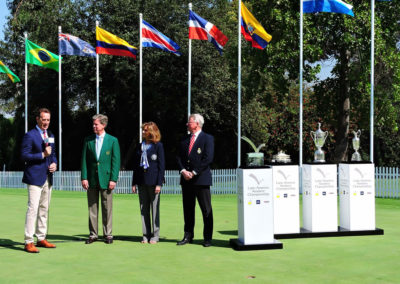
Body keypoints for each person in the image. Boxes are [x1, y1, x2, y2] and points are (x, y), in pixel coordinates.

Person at [21, 108, 57, 253]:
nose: (46, 122)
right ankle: (28, 241)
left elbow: (53, 153)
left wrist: (55, 163)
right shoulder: (30, 135)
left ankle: (41, 238)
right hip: (34, 177)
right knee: (33, 209)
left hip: (48, 177)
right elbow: (24, 155)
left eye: (48, 120)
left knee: (44, 209)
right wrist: (42, 154)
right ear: (37, 119)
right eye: (43, 119)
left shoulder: (50, 134)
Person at [81, 114, 120, 244]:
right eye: (93, 124)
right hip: (91, 179)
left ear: (103, 125)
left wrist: (113, 179)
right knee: (92, 207)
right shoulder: (88, 140)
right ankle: (93, 234)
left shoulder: (113, 140)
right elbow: (84, 160)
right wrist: (84, 177)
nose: (94, 126)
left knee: (107, 207)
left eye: (96, 124)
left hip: (107, 179)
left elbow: (116, 161)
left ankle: (108, 234)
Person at [176, 114, 214, 247]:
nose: (187, 124)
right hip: (186, 180)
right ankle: (188, 235)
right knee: (188, 209)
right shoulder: (184, 139)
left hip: (201, 180)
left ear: (197, 124)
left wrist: (194, 172)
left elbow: (208, 158)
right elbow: (178, 157)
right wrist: (183, 171)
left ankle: (207, 238)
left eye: (189, 122)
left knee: (206, 209)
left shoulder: (207, 138)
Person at [132, 122, 165, 244]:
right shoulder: (140, 146)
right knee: (143, 209)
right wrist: (134, 182)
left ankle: (155, 236)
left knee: (155, 209)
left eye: (145, 130)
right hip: (141, 182)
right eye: (143, 130)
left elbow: (161, 166)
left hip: (153, 182)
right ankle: (146, 234)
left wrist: (159, 184)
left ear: (151, 131)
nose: (143, 132)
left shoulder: (158, 146)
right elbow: (136, 166)